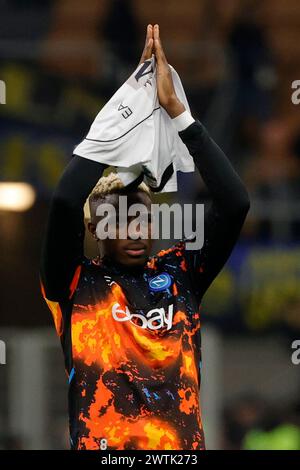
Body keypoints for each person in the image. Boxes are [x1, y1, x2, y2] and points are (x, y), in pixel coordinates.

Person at [40, 24, 250, 450]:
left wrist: (179, 115)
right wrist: (127, 109)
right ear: (97, 228)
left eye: (142, 220)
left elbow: (235, 203)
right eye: (119, 221)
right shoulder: (73, 285)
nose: (135, 231)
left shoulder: (180, 274)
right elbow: (64, 200)